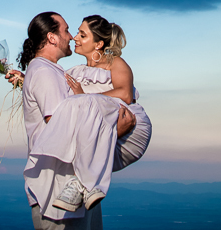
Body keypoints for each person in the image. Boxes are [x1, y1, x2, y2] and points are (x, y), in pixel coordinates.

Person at [12, 12, 136, 230]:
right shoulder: (44, 71)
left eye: (79, 33)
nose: (71, 37)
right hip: (57, 194)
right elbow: (60, 126)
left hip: (76, 186)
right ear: (52, 37)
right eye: (67, 30)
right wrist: (115, 131)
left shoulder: (51, 71)